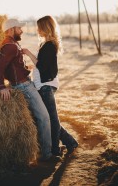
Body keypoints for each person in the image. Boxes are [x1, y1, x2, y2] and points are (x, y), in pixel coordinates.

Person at [0, 18, 60, 162]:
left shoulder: (13, 44)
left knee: (41, 117)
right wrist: (1, 86)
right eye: (19, 28)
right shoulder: (9, 46)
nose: (21, 30)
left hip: (25, 83)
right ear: (11, 30)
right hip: (23, 86)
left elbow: (12, 67)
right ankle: (47, 155)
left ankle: (48, 149)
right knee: (44, 117)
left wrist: (24, 69)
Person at [22, 15, 78, 157]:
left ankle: (55, 149)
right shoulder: (46, 44)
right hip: (44, 85)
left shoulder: (49, 45)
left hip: (46, 86)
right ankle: (70, 142)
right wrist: (30, 67)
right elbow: (42, 66)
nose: (37, 30)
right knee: (50, 117)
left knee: (52, 119)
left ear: (45, 28)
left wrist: (28, 53)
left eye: (39, 27)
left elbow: (41, 65)